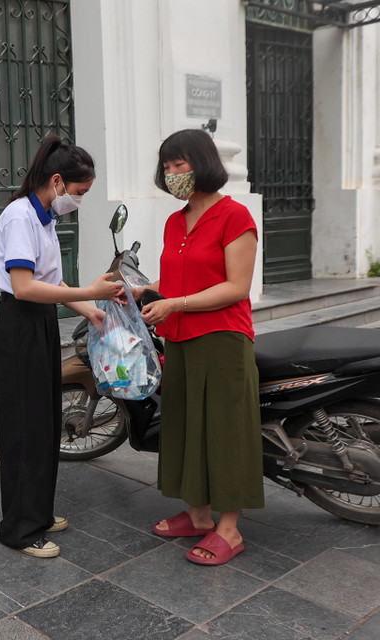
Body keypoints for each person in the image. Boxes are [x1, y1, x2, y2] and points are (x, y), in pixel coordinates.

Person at [0, 136, 124, 558]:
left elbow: (54, 284)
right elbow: (25, 287)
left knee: (44, 423)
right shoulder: (19, 218)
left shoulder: (43, 216)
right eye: (80, 193)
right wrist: (93, 289)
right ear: (58, 181)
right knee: (23, 429)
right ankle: (20, 529)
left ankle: (39, 514)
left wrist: (93, 311)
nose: (79, 201)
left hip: (40, 324)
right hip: (19, 325)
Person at [139, 129, 263, 565]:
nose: (173, 174)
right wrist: (141, 292)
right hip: (181, 341)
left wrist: (174, 303)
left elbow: (236, 287)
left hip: (223, 340)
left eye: (181, 165)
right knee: (186, 427)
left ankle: (229, 530)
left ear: (204, 163)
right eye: (168, 167)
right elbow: (172, 282)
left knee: (225, 433)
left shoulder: (236, 217)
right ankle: (198, 515)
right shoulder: (175, 222)